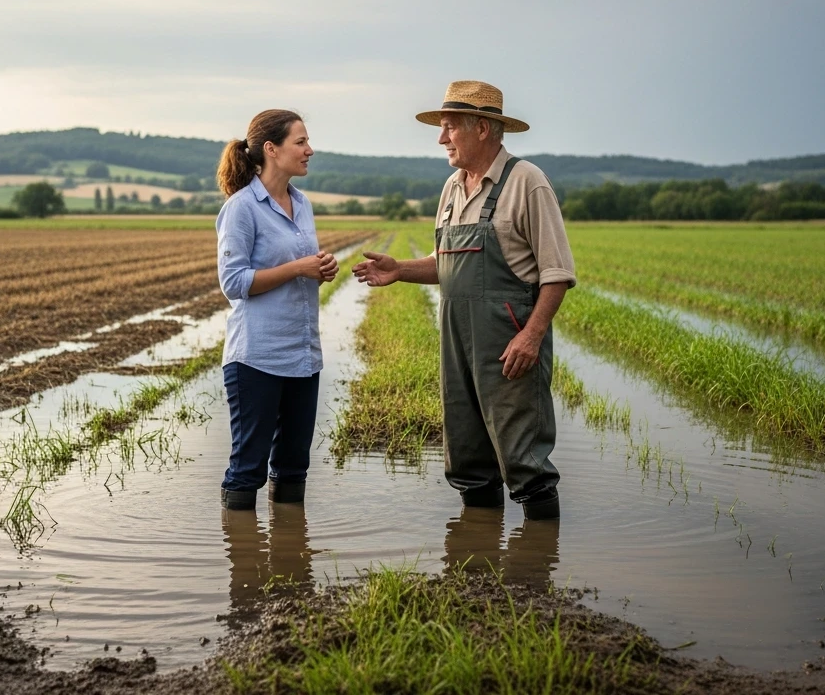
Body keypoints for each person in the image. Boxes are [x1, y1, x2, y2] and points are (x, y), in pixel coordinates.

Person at [353, 81, 576, 520]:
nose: (441, 138)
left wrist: (531, 337)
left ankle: (538, 569)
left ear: (483, 128)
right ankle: (477, 564)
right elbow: (446, 263)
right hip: (457, 346)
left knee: (524, 461)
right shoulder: (452, 189)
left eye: (450, 127)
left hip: (509, 344)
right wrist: (400, 270)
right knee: (468, 458)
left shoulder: (526, 182)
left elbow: (557, 274)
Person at [216, 109, 338, 511]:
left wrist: (319, 270)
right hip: (257, 359)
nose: (310, 150)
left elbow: (299, 269)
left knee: (293, 468)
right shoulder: (241, 208)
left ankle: (291, 561)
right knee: (247, 470)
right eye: (300, 142)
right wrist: (297, 268)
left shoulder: (301, 204)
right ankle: (244, 564)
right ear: (271, 149)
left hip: (303, 356)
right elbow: (234, 283)